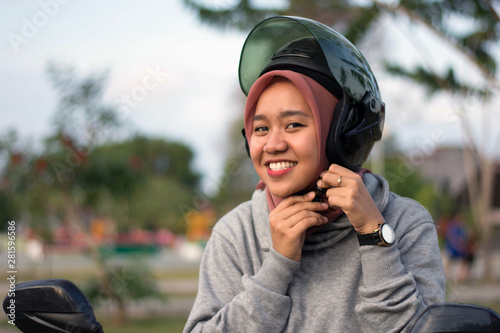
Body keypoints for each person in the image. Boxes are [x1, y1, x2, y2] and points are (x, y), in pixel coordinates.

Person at [184, 16, 445, 333]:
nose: (273, 144)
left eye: (294, 124)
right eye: (261, 128)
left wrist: (375, 236)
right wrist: (277, 266)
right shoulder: (237, 234)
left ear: (341, 132)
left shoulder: (404, 221)